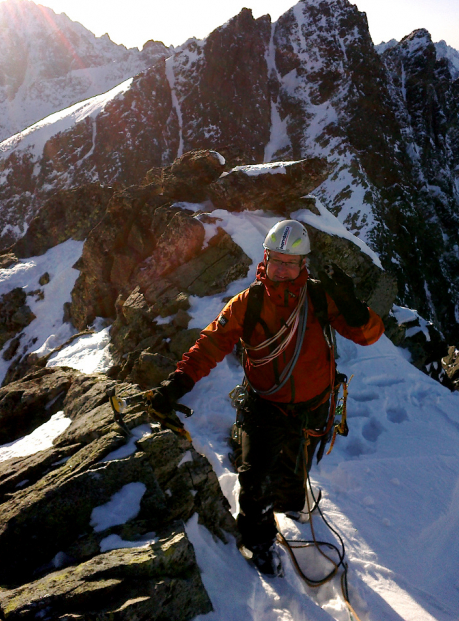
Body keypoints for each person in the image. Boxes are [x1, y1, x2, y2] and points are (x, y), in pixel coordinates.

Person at [146, 220, 384, 576]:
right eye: (277, 261)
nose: (283, 269)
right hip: (265, 406)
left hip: (312, 406)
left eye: (291, 262)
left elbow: (368, 336)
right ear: (265, 260)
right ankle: (259, 542)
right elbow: (210, 344)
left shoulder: (320, 297)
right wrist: (178, 383)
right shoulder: (248, 304)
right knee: (255, 479)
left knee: (295, 467)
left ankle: (290, 507)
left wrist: (352, 306)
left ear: (304, 265)